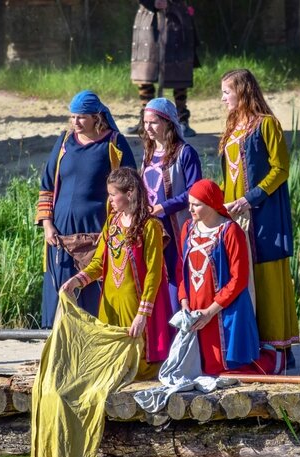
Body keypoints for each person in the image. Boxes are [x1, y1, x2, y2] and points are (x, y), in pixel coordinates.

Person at [219, 68, 300, 366]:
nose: (223, 98)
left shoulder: (267, 125)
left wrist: (250, 198)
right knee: (243, 275)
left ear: (242, 91)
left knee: (267, 273)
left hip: (263, 215)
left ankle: (278, 349)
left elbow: (281, 169)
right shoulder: (232, 126)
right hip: (235, 215)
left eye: (227, 91)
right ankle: (252, 345)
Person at [36, 90, 136, 328]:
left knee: (92, 289)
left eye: (81, 117)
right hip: (59, 234)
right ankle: (59, 343)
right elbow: (47, 185)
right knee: (60, 287)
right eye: (72, 117)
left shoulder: (114, 143)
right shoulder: (63, 142)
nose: (75, 122)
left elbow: (130, 186)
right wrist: (47, 224)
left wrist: (119, 226)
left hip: (97, 232)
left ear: (96, 117)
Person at [61, 167, 172, 379]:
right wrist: (76, 281)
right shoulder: (112, 223)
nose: (109, 199)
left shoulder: (150, 227)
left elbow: (154, 273)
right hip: (110, 303)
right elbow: (98, 263)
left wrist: (142, 314)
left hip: (135, 303)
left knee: (136, 365)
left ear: (129, 193)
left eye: (113, 194)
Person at [177, 179, 284, 375]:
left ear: (210, 204)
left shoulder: (230, 231)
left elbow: (239, 278)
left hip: (226, 310)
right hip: (196, 310)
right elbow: (181, 269)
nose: (190, 209)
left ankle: (273, 359)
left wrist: (210, 311)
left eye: (196, 205)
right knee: (204, 369)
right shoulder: (188, 228)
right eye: (190, 203)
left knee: (229, 370)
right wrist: (184, 303)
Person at [140, 96, 201, 313]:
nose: (148, 127)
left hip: (176, 227)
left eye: (153, 122)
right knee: (154, 276)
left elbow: (195, 192)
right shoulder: (148, 152)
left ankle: (178, 331)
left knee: (177, 277)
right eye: (145, 122)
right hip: (152, 226)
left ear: (168, 122)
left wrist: (165, 207)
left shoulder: (185, 153)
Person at [128, 0, 198, 137]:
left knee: (178, 69)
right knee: (145, 70)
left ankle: (182, 120)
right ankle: (146, 120)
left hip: (176, 15)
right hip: (148, 16)